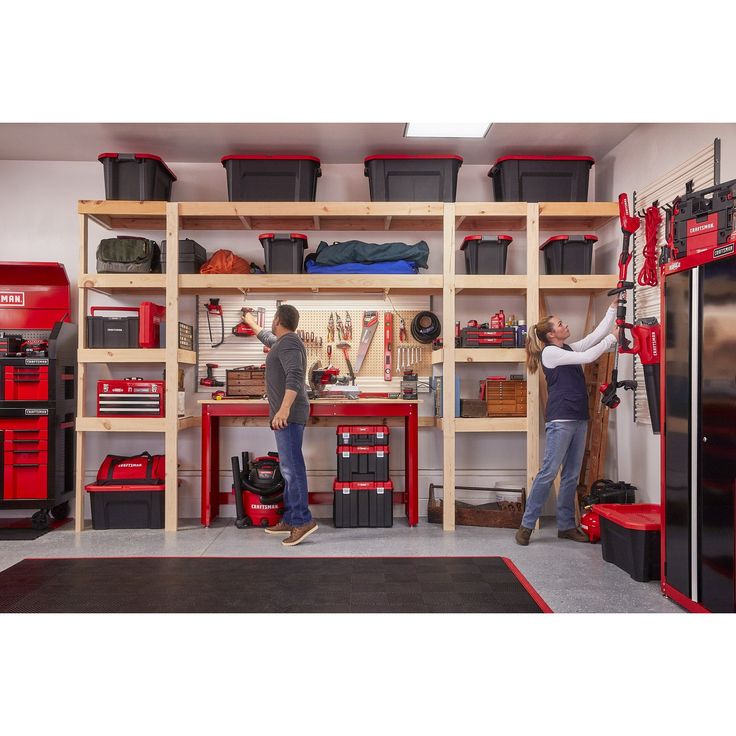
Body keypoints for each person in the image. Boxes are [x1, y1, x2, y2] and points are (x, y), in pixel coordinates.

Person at [515, 300, 618, 546]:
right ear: (551, 334)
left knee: (571, 475)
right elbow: (591, 354)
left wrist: (613, 309)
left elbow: (594, 337)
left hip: (579, 417)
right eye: (560, 324)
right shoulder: (550, 353)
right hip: (561, 419)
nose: (565, 325)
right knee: (548, 472)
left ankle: (566, 527)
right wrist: (613, 339)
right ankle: (526, 526)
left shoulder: (568, 349)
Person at [242, 304, 317, 546]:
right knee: (288, 468)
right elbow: (266, 336)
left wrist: (283, 409)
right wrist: (251, 321)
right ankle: (291, 516)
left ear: (277, 319)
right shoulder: (282, 341)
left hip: (289, 414)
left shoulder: (290, 343)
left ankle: (302, 520)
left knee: (292, 468)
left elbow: (295, 374)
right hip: (286, 414)